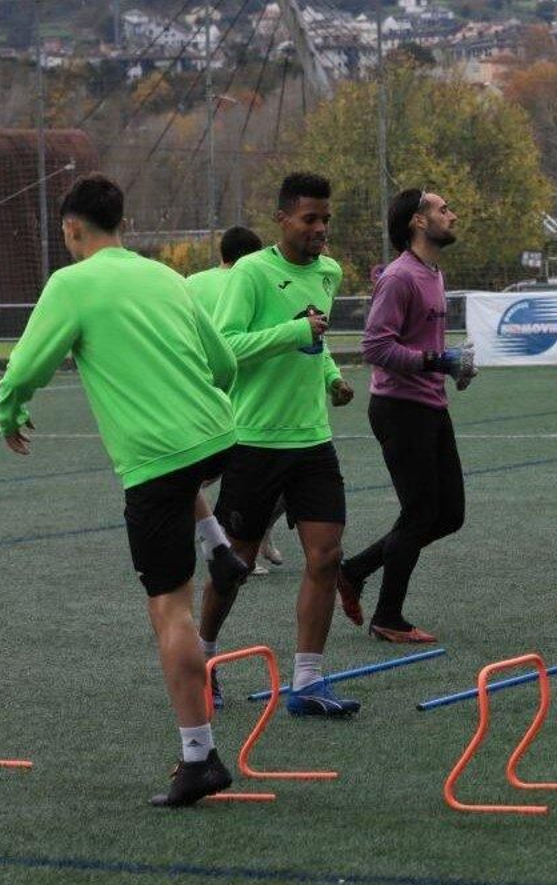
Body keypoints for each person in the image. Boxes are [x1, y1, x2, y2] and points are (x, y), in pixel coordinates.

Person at [0, 174, 240, 805]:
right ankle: (217, 544)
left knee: (169, 609)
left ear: (71, 228)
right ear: (123, 224)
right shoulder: (166, 276)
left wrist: (8, 411)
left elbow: (26, 368)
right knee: (181, 472)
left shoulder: (71, 283)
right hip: (218, 436)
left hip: (159, 459)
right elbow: (225, 366)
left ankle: (199, 758)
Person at [200, 172, 360, 716]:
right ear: (283, 219)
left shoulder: (330, 272)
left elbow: (317, 340)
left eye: (326, 219)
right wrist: (294, 334)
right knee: (235, 564)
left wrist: (332, 375)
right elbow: (224, 349)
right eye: (310, 218)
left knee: (326, 554)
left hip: (312, 439)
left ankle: (308, 683)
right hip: (254, 440)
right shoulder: (251, 272)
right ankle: (202, 660)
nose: (320, 229)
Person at [338, 189, 478, 642]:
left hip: (429, 405)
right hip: (399, 409)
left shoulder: (432, 272)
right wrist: (439, 361)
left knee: (449, 514)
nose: (451, 215)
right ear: (418, 222)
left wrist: (453, 370)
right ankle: (388, 617)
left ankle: (354, 570)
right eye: (442, 209)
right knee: (420, 513)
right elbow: (375, 347)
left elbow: (422, 346)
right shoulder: (400, 277)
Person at [185, 226, 264, 586]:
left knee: (193, 475)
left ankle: (217, 538)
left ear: (221, 253)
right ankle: (241, 543)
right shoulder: (255, 282)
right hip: (246, 389)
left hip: (200, 388)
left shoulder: (191, 282)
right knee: (248, 473)